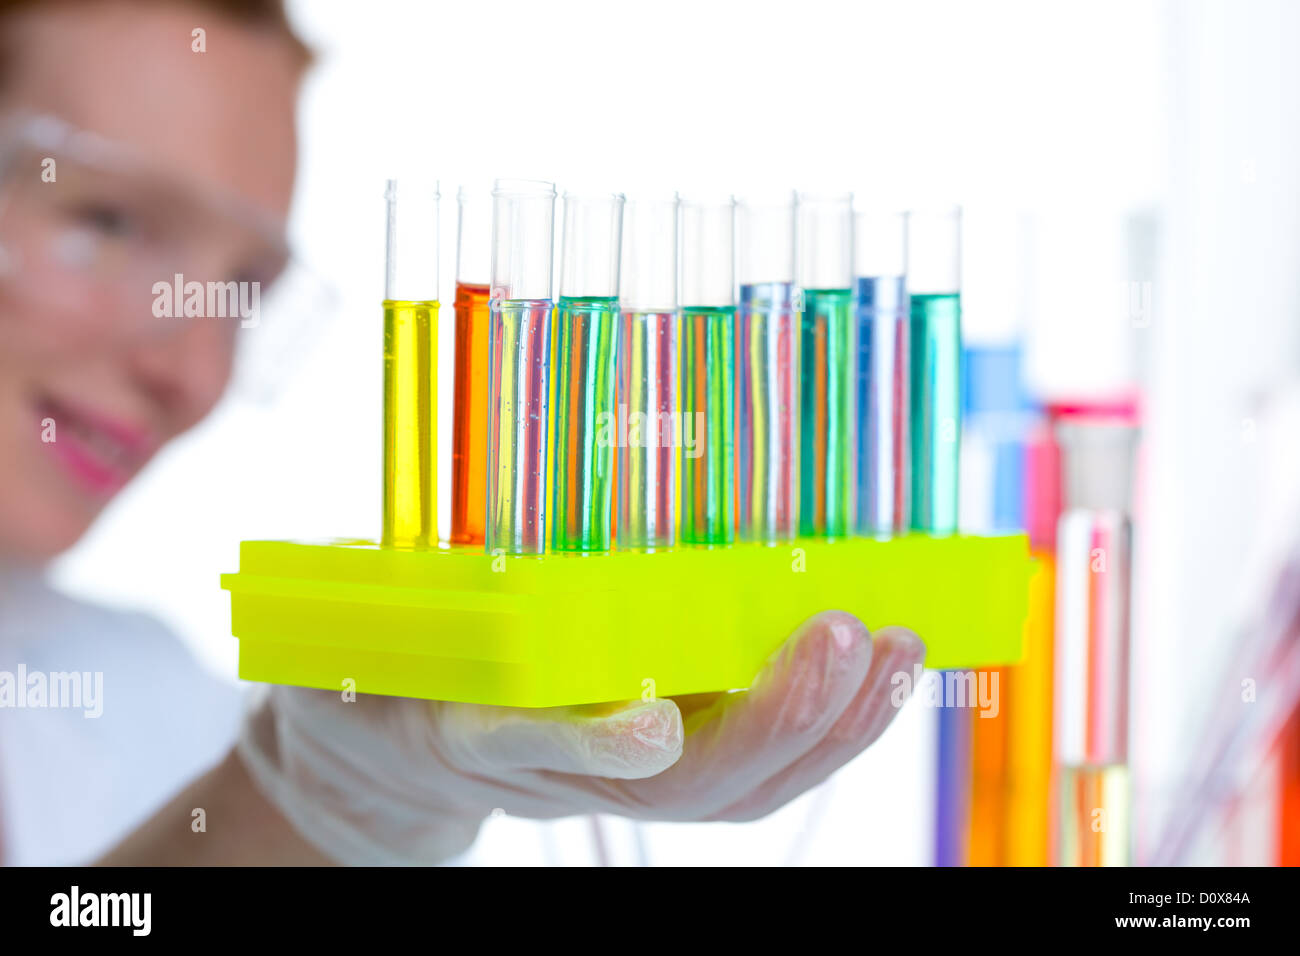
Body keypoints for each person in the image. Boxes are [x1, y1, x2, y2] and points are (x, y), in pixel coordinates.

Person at [0, 0, 925, 866]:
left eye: (244, 291)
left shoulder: (140, 701)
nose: (196, 373)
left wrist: (327, 802)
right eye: (104, 220)